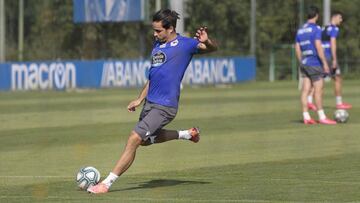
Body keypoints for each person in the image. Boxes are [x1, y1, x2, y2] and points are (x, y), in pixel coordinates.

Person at [87, 9, 218, 194]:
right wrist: (140, 99)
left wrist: (208, 41)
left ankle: (106, 184)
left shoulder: (185, 44)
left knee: (134, 138)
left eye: (158, 31)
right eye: (154, 30)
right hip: (150, 103)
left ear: (170, 28)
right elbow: (153, 76)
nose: (154, 34)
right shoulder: (157, 45)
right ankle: (188, 134)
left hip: (165, 106)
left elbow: (212, 49)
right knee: (145, 141)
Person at [295, 5, 336, 125]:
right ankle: (322, 116)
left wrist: (301, 62)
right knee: (319, 89)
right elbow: (318, 46)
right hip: (314, 62)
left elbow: (297, 48)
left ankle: (306, 116)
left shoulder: (300, 30)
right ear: (317, 15)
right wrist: (324, 63)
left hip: (304, 63)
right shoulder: (316, 28)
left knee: (305, 90)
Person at [307, 11, 352, 111]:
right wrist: (335, 59)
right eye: (340, 18)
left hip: (319, 56)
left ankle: (309, 101)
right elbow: (333, 44)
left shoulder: (323, 28)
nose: (341, 20)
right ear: (334, 18)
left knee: (317, 79)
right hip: (328, 57)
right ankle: (339, 103)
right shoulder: (335, 29)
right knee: (338, 78)